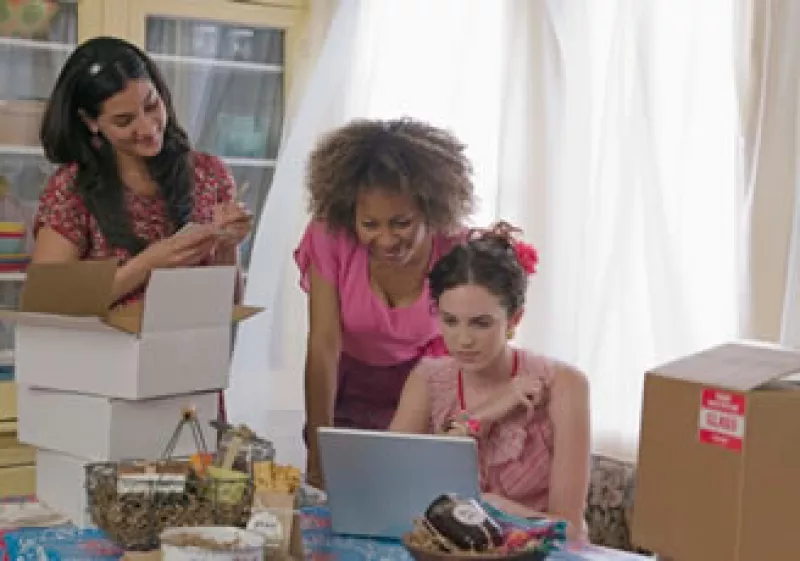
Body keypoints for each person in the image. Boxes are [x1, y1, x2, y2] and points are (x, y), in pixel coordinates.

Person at [295, 117, 475, 488]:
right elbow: (324, 346)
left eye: (401, 223)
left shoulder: (456, 249)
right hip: (345, 388)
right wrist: (317, 455)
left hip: (423, 387)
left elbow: (461, 358)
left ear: (430, 209)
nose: (387, 240)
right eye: (370, 225)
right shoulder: (330, 235)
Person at [390, 223, 591, 541]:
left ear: (514, 320)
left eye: (481, 324)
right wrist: (485, 414)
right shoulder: (428, 380)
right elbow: (392, 488)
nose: (463, 340)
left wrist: (491, 508)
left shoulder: (564, 385)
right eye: (450, 321)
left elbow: (571, 530)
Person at [32, 36, 252, 306]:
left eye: (151, 106)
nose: (148, 129)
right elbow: (48, 302)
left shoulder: (210, 175)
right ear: (90, 122)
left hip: (193, 334)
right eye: (124, 121)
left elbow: (229, 306)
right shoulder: (71, 189)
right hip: (109, 336)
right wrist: (148, 264)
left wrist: (228, 245)